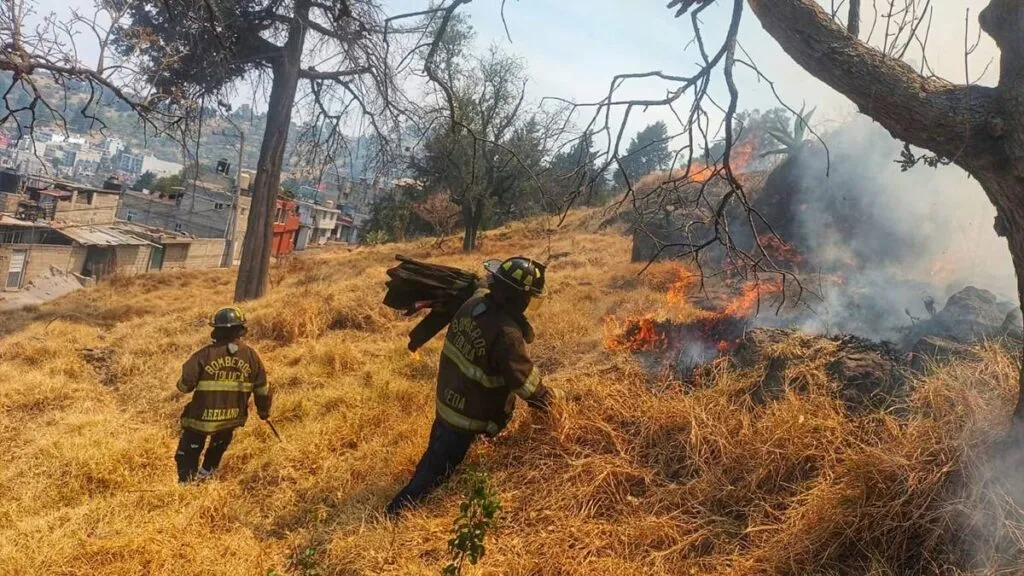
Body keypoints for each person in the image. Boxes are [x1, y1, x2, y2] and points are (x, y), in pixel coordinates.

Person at [387, 256, 562, 517]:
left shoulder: (475, 302)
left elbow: (479, 286)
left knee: (437, 451)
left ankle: (413, 491)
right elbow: (525, 385)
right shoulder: (507, 335)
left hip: (449, 399)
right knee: (436, 471)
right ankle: (396, 512)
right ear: (519, 298)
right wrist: (554, 403)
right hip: (467, 416)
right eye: (528, 297)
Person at [174, 306, 271, 484]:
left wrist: (180, 384)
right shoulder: (252, 356)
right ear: (241, 329)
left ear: (216, 330)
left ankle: (186, 487)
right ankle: (205, 477)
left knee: (187, 452)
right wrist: (264, 412)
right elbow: (262, 389)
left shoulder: (203, 355)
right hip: (231, 418)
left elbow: (185, 386)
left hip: (200, 418)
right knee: (218, 447)